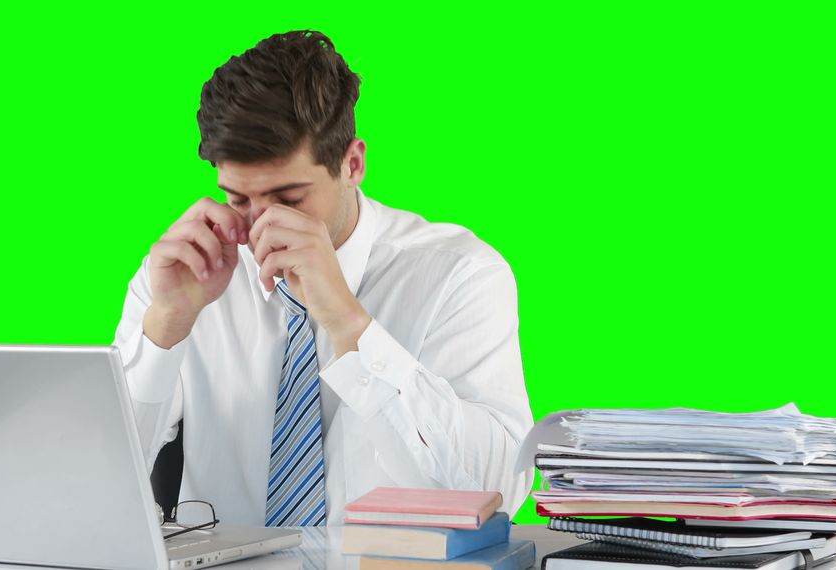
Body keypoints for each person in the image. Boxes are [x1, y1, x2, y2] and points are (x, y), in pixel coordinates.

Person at [113, 30, 533, 527]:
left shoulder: (459, 275)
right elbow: (90, 483)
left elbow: (499, 491)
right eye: (239, 199)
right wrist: (164, 328)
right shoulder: (184, 275)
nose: (259, 227)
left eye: (289, 199)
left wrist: (352, 327)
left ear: (352, 164)